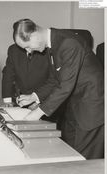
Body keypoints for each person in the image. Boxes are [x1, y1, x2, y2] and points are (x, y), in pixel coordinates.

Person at [12, 19, 104, 159]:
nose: (28, 51)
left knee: (84, 162)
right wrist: (34, 96)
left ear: (35, 35)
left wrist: (38, 112)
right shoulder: (54, 44)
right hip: (77, 108)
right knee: (70, 155)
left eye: (27, 46)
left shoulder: (68, 43)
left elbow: (65, 85)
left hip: (92, 108)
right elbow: (55, 79)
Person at [2, 37, 63, 122]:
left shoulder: (47, 50)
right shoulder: (13, 49)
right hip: (23, 100)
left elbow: (54, 81)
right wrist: (7, 100)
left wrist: (38, 101)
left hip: (45, 100)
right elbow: (8, 74)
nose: (28, 50)